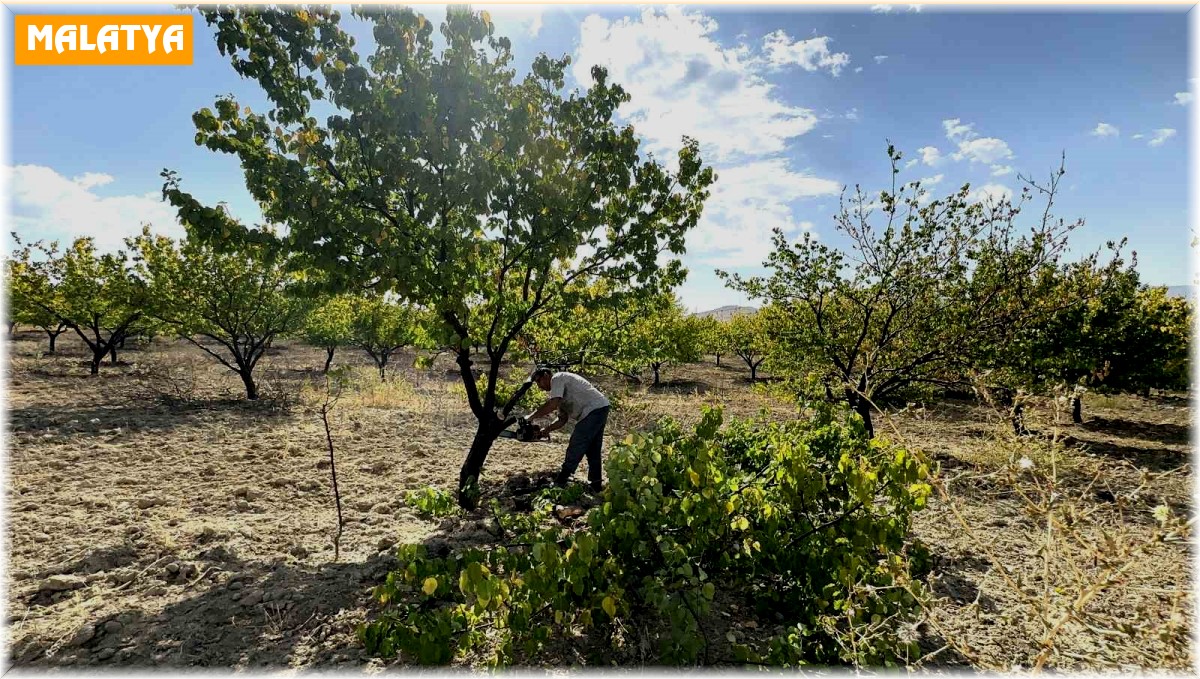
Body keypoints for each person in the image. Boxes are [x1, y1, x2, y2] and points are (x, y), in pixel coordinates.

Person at [526, 367, 610, 492]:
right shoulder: (558, 393)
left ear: (545, 375)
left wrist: (531, 417)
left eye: (538, 381)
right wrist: (546, 430)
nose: (539, 386)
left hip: (593, 409)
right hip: (600, 407)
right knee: (593, 449)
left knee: (577, 442)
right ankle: (596, 485)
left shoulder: (557, 378)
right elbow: (562, 419)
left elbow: (552, 404)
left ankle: (562, 479)